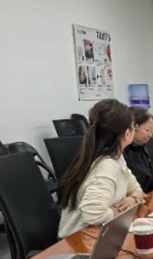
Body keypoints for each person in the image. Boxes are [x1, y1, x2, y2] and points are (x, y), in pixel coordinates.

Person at [57, 99, 144, 238]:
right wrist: (121, 210)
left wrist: (132, 199)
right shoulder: (107, 166)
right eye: (134, 125)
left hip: (100, 233)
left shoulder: (115, 157)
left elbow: (137, 190)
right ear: (127, 133)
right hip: (78, 241)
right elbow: (93, 216)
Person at [123, 107, 153, 193]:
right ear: (134, 127)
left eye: (152, 131)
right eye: (147, 130)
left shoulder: (141, 148)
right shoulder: (122, 152)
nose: (151, 135)